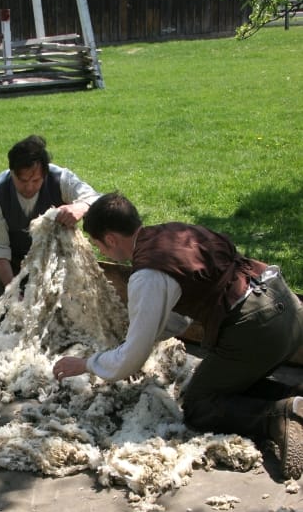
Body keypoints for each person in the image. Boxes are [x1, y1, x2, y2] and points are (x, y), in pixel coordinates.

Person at [52, 192, 303, 480]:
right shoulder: (173, 233)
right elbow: (179, 318)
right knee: (224, 384)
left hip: (257, 327)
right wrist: (140, 336)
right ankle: (295, 400)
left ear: (110, 239)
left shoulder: (147, 275)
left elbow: (132, 360)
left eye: (99, 246)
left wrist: (86, 364)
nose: (102, 254)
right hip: (288, 311)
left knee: (199, 405)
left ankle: (277, 417)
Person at [0, 135, 100, 301]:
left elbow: (95, 198)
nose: (29, 187)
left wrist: (81, 206)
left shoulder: (61, 178)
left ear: (45, 172)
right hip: (15, 265)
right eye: (22, 180)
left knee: (69, 314)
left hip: (58, 260)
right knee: (4, 318)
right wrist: (12, 288)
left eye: (36, 180)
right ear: (12, 172)